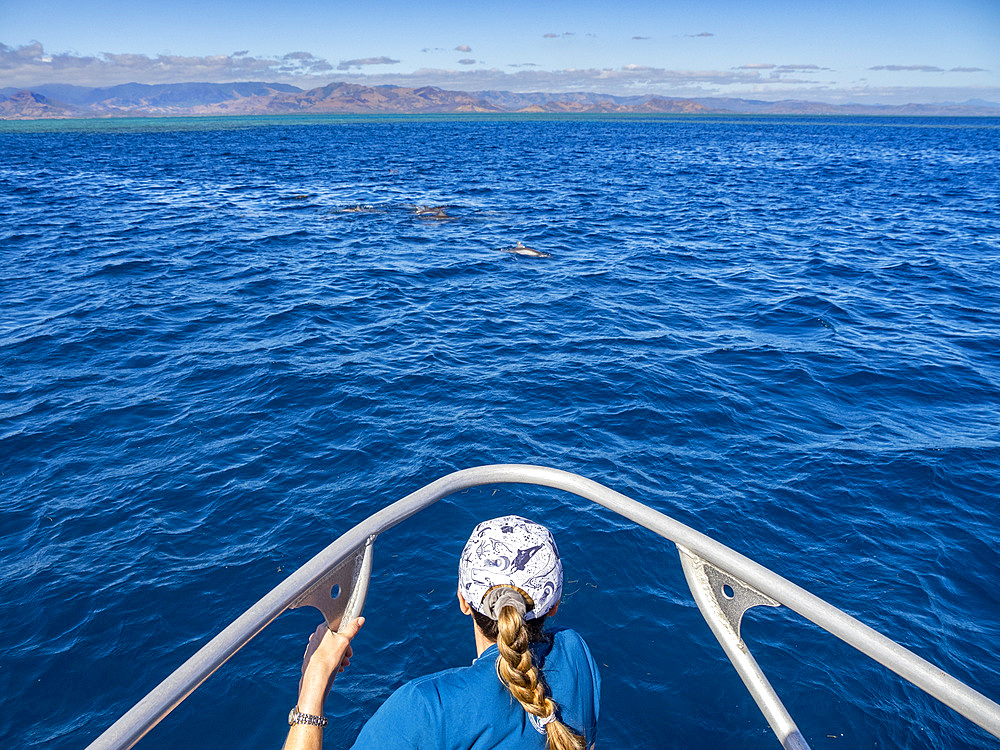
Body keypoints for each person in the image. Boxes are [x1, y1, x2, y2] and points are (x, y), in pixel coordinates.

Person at [282, 515, 601, 750]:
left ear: (463, 600)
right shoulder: (576, 654)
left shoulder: (424, 708)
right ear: (555, 604)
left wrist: (314, 683)